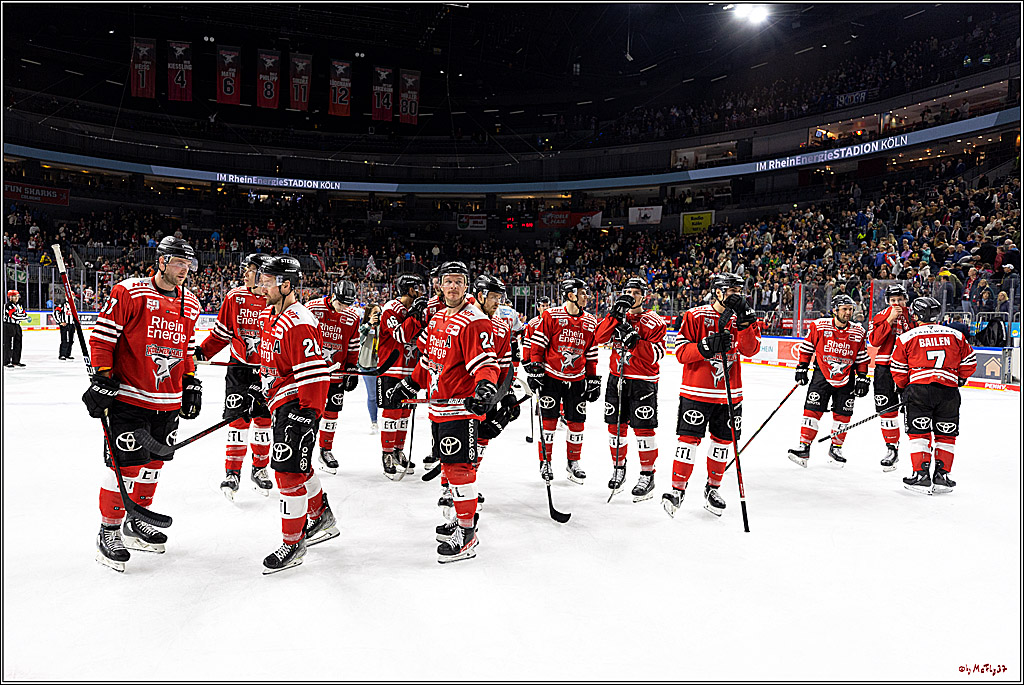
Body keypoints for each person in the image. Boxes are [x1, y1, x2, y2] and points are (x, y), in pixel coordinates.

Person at [84, 236, 203, 572]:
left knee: (155, 464)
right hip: (131, 398)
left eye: (188, 264)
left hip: (167, 400)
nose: (184, 270)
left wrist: (191, 381)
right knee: (126, 466)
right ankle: (107, 531)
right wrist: (103, 378)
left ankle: (137, 520)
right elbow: (103, 337)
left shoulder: (190, 303)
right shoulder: (130, 292)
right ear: (162, 262)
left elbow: (187, 347)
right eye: (178, 263)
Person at [389, 261, 500, 563]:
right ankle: (464, 518)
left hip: (459, 408)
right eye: (447, 281)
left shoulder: (474, 320)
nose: (452, 286)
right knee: (450, 468)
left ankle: (467, 533)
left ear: (467, 286)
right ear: (439, 285)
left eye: (458, 281)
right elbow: (428, 361)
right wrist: (410, 384)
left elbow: (486, 361)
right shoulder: (438, 317)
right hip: (438, 407)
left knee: (459, 468)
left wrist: (485, 388)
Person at [249, 255, 336, 574]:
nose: (262, 286)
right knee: (300, 467)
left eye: (268, 281)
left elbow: (316, 375)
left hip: (297, 405)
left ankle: (293, 542)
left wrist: (307, 414)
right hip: (280, 401)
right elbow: (272, 363)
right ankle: (321, 516)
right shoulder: (270, 315)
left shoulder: (299, 322)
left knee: (287, 473)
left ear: (286, 285)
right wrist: (261, 392)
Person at [661, 273, 760, 517]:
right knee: (687, 442)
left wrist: (747, 324)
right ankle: (677, 489)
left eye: (739, 290)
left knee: (722, 444)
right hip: (696, 391)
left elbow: (751, 350)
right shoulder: (695, 315)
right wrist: (706, 347)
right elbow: (681, 352)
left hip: (730, 395)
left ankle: (713, 489)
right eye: (730, 290)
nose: (736, 295)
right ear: (717, 291)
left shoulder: (743, 318)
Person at [195, 253, 274, 500]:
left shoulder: (275, 301)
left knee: (263, 422)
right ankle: (232, 473)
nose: (245, 274)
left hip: (267, 372)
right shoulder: (235, 297)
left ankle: (260, 470)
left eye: (250, 270)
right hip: (239, 369)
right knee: (237, 421)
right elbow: (221, 334)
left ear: (263, 275)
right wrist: (201, 353)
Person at [891, 297, 977, 494]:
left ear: (917, 314)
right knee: (946, 434)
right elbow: (970, 361)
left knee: (919, 433)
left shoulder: (907, 337)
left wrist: (905, 388)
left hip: (919, 391)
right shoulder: (956, 335)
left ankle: (921, 476)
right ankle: (942, 477)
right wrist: (959, 378)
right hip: (948, 391)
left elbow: (897, 367)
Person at [594, 277, 667, 502]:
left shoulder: (655, 321)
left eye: (636, 292)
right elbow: (598, 338)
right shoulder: (617, 317)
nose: (632, 295)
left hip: (642, 381)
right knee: (616, 428)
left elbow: (657, 355)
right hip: (616, 378)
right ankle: (619, 468)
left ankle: (647, 475)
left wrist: (635, 342)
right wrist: (614, 317)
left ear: (644, 296)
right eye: (628, 291)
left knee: (644, 429)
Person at [525, 277, 600, 484]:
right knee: (549, 422)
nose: (587, 296)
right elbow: (538, 346)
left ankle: (573, 462)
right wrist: (535, 371)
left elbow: (591, 352)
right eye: (583, 293)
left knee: (577, 423)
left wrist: (593, 378)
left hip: (577, 379)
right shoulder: (551, 315)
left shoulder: (591, 321)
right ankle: (545, 462)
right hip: (551, 378)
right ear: (571, 295)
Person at [787, 294, 870, 468]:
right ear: (834, 310)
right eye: (844, 309)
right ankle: (804, 447)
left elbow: (862, 358)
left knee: (843, 415)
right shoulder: (819, 326)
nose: (848, 313)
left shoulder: (858, 331)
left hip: (847, 378)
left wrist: (863, 377)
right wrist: (802, 367)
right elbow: (807, 347)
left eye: (850, 309)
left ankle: (836, 448)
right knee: (812, 410)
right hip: (822, 375)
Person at [307, 280, 362, 474]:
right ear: (333, 296)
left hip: (337, 374)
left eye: (348, 304)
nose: (344, 308)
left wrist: (352, 369)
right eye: (341, 303)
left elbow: (354, 345)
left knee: (332, 414)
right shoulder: (312, 308)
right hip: (312, 373)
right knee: (309, 414)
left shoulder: (353, 316)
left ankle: (326, 450)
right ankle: (305, 450)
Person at [376, 273, 427, 478]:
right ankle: (386, 453)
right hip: (391, 368)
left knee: (405, 414)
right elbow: (401, 336)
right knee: (392, 413)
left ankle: (398, 450)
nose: (421, 291)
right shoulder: (391, 308)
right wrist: (414, 314)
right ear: (408, 289)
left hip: (411, 370)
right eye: (417, 287)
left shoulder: (417, 310)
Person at [866, 283, 913, 472]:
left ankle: (919, 453)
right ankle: (891, 448)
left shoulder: (914, 314)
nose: (897, 304)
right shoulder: (880, 316)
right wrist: (889, 321)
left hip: (910, 369)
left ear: (905, 299)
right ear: (887, 301)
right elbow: (874, 341)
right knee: (887, 411)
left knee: (914, 411)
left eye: (900, 300)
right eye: (893, 300)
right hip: (885, 369)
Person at [358, 303, 382, 434]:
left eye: (379, 312)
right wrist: (369, 324)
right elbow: (359, 338)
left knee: (383, 395)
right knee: (372, 396)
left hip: (383, 365)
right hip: (368, 365)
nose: (378, 315)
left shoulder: (382, 326)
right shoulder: (365, 326)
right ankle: (374, 422)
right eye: (375, 313)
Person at [3, 289, 29, 367]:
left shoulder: (19, 305)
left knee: (18, 342)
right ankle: (6, 361)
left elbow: (25, 315)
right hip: (8, 325)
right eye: (14, 296)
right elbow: (14, 316)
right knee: (7, 343)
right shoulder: (8, 305)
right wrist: (21, 316)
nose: (16, 298)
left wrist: (21, 316)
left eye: (17, 296)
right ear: (10, 297)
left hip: (17, 325)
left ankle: (16, 360)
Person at [54, 296, 76, 360]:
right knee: (65, 340)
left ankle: (67, 354)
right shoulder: (62, 304)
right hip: (65, 325)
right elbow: (56, 312)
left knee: (71, 340)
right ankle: (62, 354)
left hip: (72, 324)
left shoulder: (73, 305)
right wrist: (60, 322)